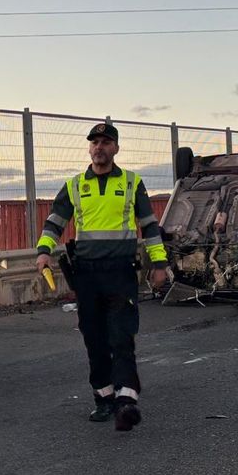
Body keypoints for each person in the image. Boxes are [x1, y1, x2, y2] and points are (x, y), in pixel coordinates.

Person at [35, 122, 170, 432]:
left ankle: (126, 402)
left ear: (116, 148)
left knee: (121, 337)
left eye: (106, 142)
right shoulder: (74, 186)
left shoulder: (132, 183)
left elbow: (149, 226)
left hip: (121, 272)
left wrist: (159, 263)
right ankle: (104, 398)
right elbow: (55, 222)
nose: (99, 147)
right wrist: (43, 251)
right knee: (94, 339)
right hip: (87, 275)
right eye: (95, 142)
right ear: (89, 148)